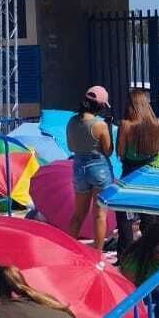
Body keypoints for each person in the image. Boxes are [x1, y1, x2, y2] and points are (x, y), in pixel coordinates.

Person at [66, 86, 115, 254]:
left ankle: (68, 250)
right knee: (99, 214)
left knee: (78, 214)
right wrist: (108, 128)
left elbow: (70, 146)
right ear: (100, 106)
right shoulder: (100, 125)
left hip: (79, 166)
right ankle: (97, 255)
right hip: (99, 167)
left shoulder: (72, 121)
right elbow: (108, 151)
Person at [117, 87, 159, 242]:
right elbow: (158, 149)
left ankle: (126, 252)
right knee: (149, 213)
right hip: (150, 171)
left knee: (124, 214)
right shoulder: (158, 124)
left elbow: (120, 152)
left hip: (130, 171)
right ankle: (151, 247)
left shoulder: (126, 125)